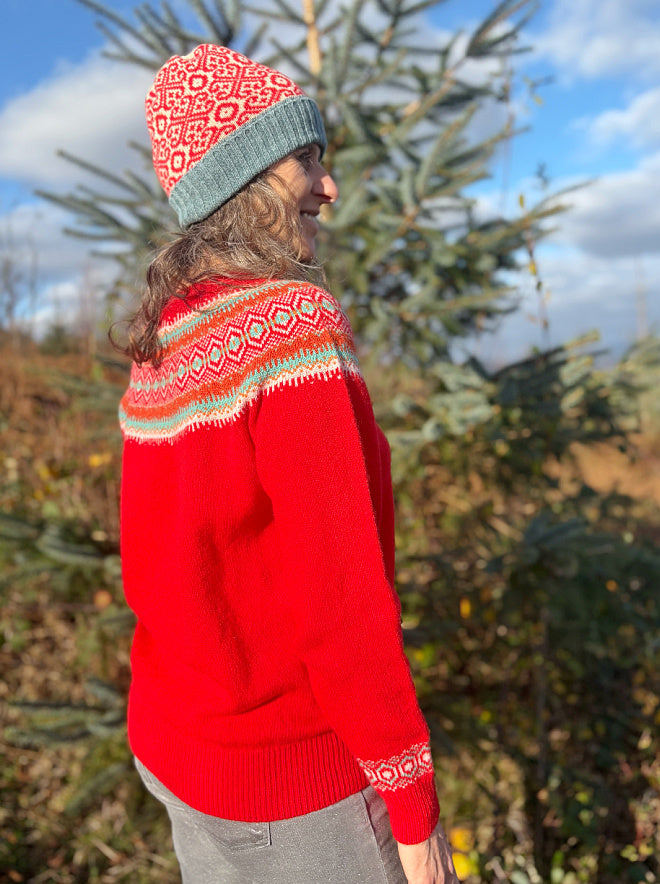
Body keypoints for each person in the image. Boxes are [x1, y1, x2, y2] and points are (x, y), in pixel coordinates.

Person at [118, 43, 459, 884]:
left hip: (180, 754)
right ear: (245, 176)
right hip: (301, 788)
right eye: (306, 158)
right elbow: (341, 600)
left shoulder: (166, 337)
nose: (329, 185)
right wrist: (413, 807)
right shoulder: (289, 327)